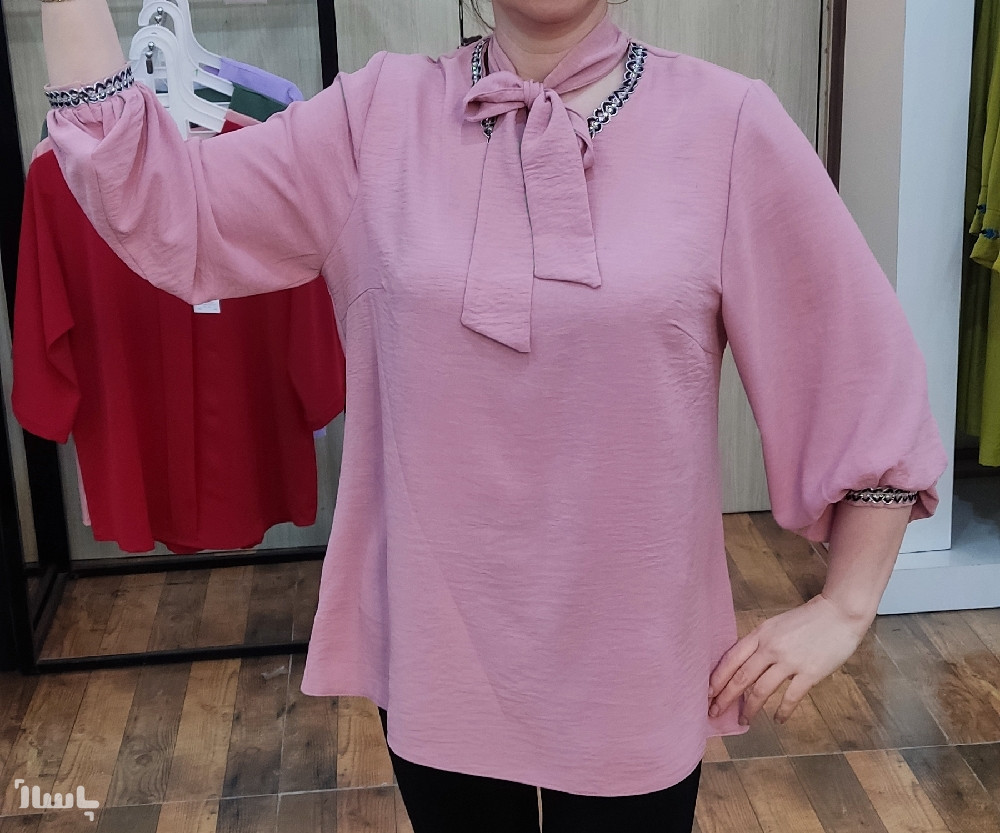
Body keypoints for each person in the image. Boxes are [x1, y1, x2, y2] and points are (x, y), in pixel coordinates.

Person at [35, 0, 948, 830]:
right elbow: (164, 204)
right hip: (442, 648)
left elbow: (851, 354)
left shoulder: (727, 124)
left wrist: (847, 604)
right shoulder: (372, 119)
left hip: (632, 660)